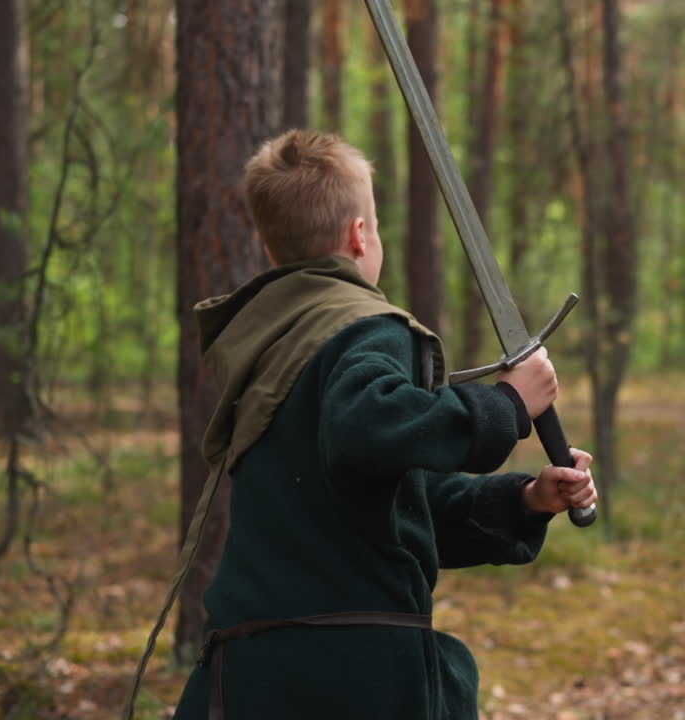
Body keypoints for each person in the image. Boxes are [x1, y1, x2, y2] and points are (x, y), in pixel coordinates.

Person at [171, 129, 597, 719]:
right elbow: (367, 428)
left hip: (252, 671)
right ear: (360, 235)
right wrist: (506, 406)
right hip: (347, 676)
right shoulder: (362, 326)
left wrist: (525, 501)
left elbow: (386, 508)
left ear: (271, 252)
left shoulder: (271, 343)